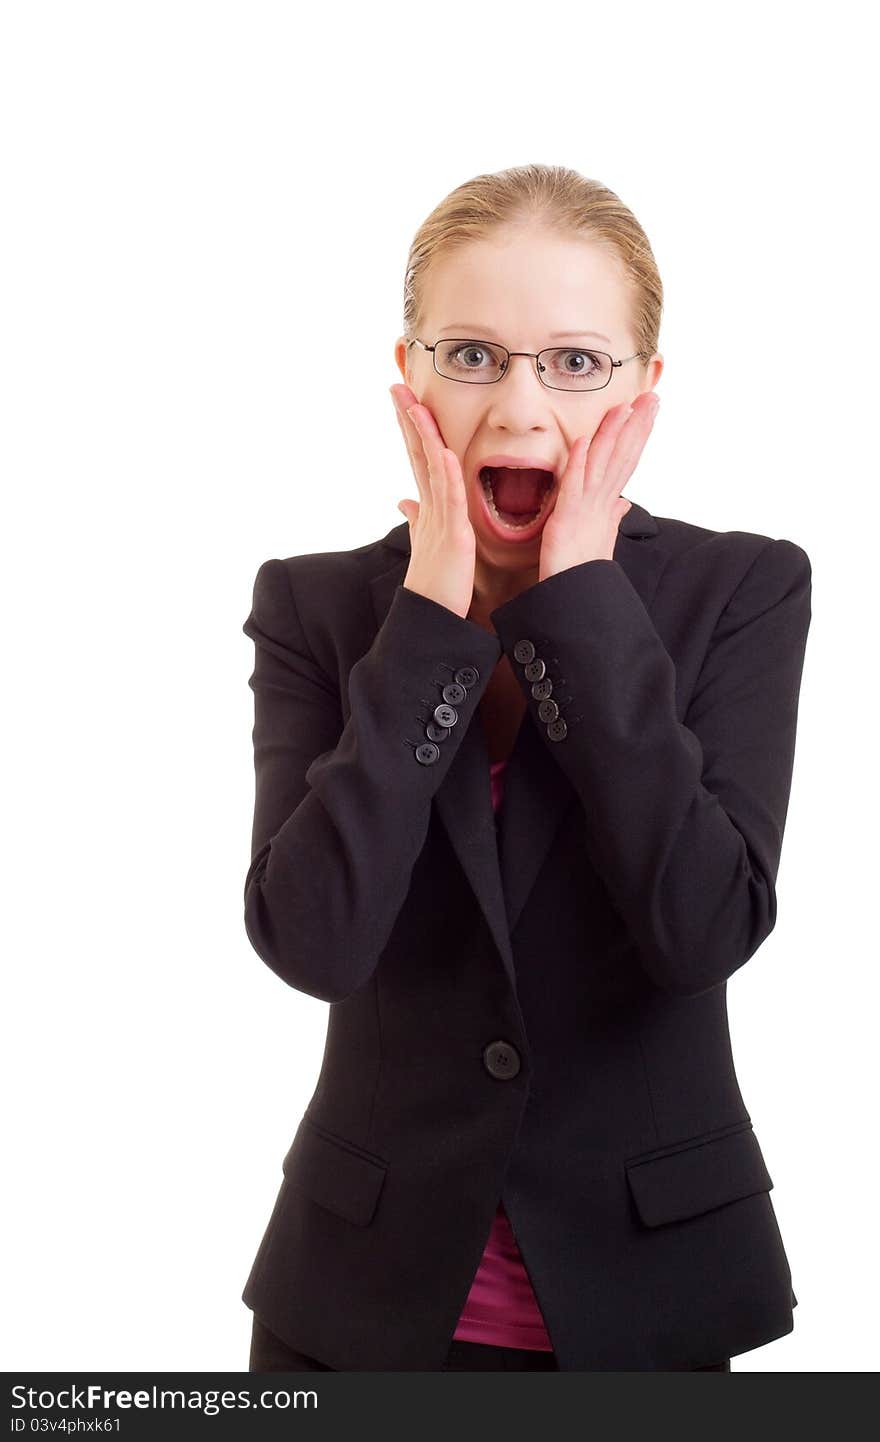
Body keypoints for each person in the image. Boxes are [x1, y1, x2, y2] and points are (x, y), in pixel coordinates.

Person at [240, 164, 810, 1372]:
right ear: (411, 375)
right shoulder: (318, 605)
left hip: (648, 1302)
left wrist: (582, 602)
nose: (518, 409)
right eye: (472, 354)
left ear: (644, 389)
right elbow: (314, 941)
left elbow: (703, 923)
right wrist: (432, 620)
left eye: (574, 360)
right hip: (355, 1313)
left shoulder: (743, 590)